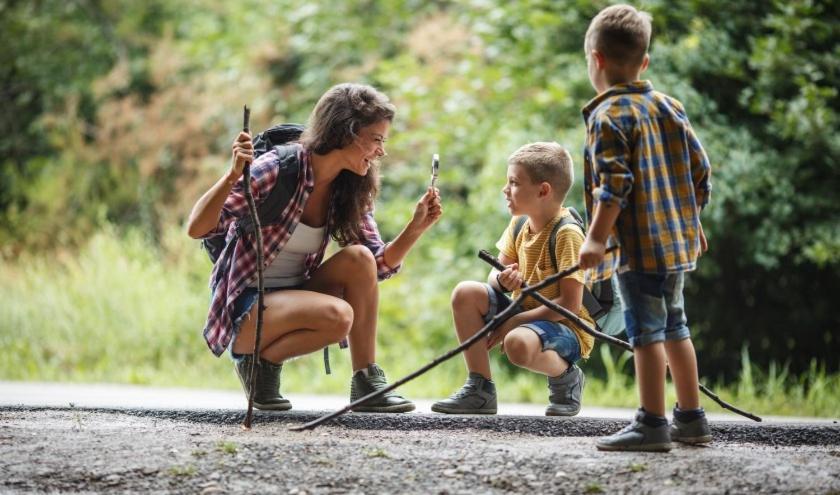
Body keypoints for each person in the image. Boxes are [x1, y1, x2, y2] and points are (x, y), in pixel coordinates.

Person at [187, 83, 442, 412]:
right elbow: (198, 228)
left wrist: (415, 228)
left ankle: (366, 382)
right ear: (348, 133)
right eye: (377, 139)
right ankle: (252, 359)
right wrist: (233, 174)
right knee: (338, 315)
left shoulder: (348, 187)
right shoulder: (279, 167)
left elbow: (376, 266)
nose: (382, 151)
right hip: (247, 310)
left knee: (359, 258)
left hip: (297, 298)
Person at [577, 4, 713, 451]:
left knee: (645, 333)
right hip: (675, 244)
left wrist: (595, 237)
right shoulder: (669, 106)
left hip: (638, 249)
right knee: (676, 326)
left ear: (595, 59)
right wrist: (693, 222)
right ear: (645, 62)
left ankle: (651, 423)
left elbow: (614, 185)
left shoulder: (607, 116)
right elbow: (700, 170)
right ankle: (691, 419)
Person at [431, 142, 594, 416]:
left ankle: (567, 377)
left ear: (543, 190)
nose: (505, 190)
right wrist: (503, 280)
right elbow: (493, 275)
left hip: (567, 326)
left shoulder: (567, 234)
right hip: (525, 312)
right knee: (466, 292)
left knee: (516, 344)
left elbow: (570, 304)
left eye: (514, 183)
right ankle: (480, 388)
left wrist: (513, 321)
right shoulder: (520, 223)